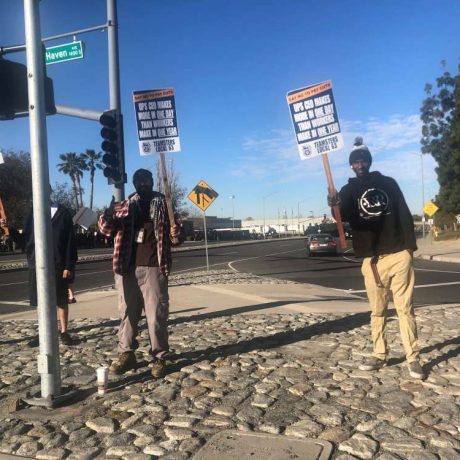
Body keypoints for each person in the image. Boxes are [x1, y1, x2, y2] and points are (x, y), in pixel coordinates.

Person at [328, 137, 424, 379]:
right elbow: (345, 215)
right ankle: (379, 354)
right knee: (378, 310)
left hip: (399, 253)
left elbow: (403, 211)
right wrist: (334, 205)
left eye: (363, 160)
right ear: (351, 166)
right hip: (372, 260)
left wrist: (409, 248)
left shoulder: (388, 183)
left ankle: (413, 357)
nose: (359, 165)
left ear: (369, 162)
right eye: (355, 162)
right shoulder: (349, 190)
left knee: (405, 309)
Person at [98, 168, 182, 378]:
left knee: (156, 316)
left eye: (147, 179)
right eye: (139, 180)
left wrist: (177, 232)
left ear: (152, 181)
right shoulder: (125, 205)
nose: (143, 183)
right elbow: (105, 230)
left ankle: (159, 356)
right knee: (127, 314)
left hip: (155, 267)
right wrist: (108, 214)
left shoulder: (165, 204)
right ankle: (127, 354)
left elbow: (177, 238)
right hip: (127, 268)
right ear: (134, 183)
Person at [24, 197, 78, 346]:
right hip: (37, 264)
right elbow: (26, 240)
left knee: (61, 300)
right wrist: (9, 229)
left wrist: (68, 266)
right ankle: (43, 332)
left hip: (58, 264)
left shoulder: (62, 213)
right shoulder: (33, 212)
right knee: (40, 302)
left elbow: (70, 241)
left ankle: (64, 331)